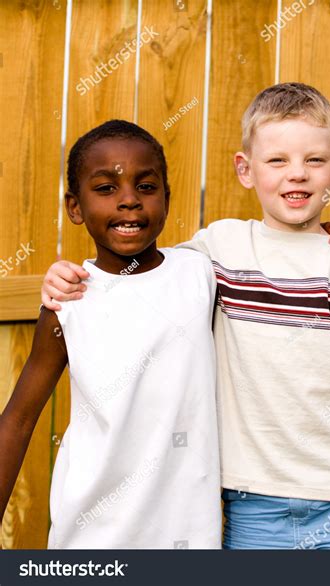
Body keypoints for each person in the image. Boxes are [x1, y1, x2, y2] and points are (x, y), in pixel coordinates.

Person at [40, 83, 330, 551]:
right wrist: (62, 276)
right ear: (245, 170)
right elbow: (136, 264)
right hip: (252, 507)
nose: (297, 174)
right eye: (277, 161)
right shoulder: (217, 250)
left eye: (314, 161)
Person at [0, 120, 222, 549]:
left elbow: (276, 257)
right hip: (90, 539)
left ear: (167, 199)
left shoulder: (201, 274)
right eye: (105, 189)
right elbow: (19, 419)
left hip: (188, 537)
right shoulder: (68, 304)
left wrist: (329, 239)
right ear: (75, 207)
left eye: (146, 186)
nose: (128, 202)